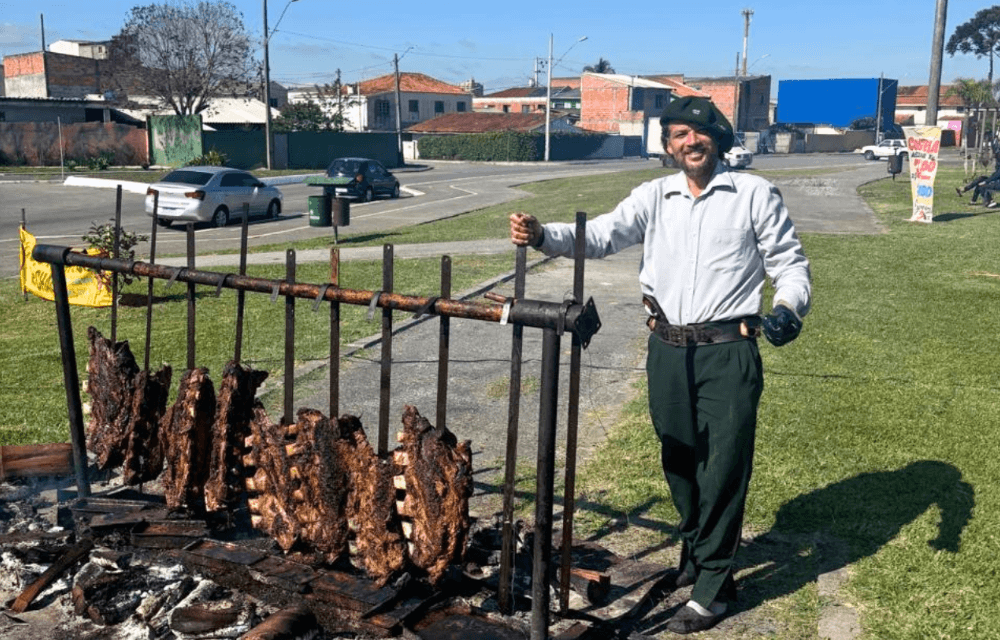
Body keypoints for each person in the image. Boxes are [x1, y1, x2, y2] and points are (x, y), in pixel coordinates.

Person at [509, 96, 811, 634]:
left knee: (723, 466)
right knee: (678, 458)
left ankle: (714, 585)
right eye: (678, 135)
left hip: (727, 350)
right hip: (667, 348)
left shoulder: (753, 194)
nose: (690, 142)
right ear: (668, 146)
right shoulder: (655, 195)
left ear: (718, 139)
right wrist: (542, 236)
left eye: (699, 132)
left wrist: (789, 307)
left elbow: (789, 263)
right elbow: (602, 235)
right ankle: (697, 550)